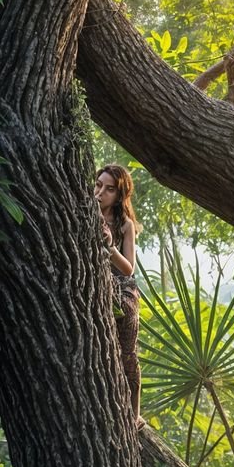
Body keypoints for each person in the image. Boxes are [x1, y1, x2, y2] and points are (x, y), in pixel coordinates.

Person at [95, 163, 140, 421]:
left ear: (120, 194)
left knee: (127, 353)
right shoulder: (85, 212)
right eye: (98, 185)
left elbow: (128, 268)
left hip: (122, 290)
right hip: (97, 286)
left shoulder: (125, 225)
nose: (100, 193)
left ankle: (134, 416)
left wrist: (109, 247)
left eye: (109, 189)